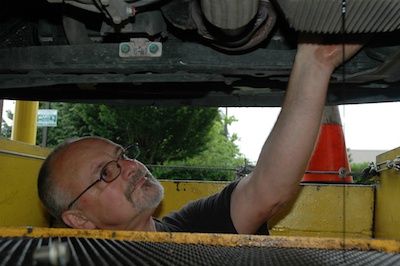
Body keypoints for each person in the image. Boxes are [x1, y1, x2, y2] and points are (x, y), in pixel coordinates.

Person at [37, 37, 362, 234]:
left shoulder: (190, 225)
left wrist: (316, 64)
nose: (131, 167)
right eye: (107, 172)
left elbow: (269, 190)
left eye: (123, 155)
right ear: (78, 219)